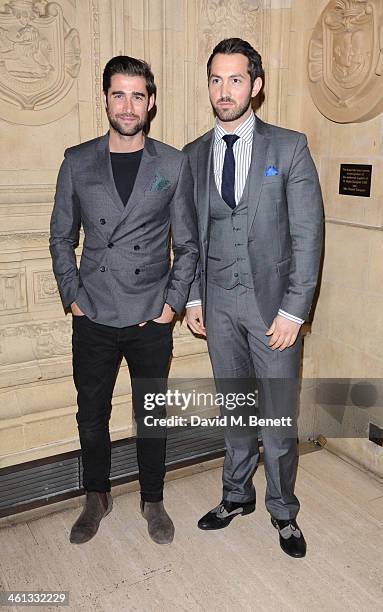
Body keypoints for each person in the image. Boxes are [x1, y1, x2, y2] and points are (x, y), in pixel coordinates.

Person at [50, 55, 198, 546]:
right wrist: (73, 295)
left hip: (150, 316)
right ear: (106, 99)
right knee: (90, 414)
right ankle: (97, 495)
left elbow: (189, 244)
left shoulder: (173, 163)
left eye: (138, 95)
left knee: (149, 415)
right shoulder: (77, 160)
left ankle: (152, 498)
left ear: (151, 102)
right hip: (92, 312)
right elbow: (60, 237)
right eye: (119, 94)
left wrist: (172, 304)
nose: (128, 105)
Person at [184, 38, 323, 558]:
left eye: (235, 79)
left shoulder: (289, 148)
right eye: (216, 80)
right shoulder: (194, 155)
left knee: (278, 420)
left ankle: (283, 511)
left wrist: (294, 309)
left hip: (273, 312)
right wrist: (194, 299)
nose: (225, 90)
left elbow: (309, 236)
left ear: (255, 86)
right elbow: (190, 237)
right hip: (217, 306)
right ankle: (236, 496)